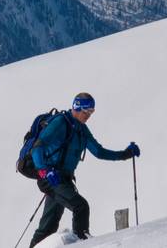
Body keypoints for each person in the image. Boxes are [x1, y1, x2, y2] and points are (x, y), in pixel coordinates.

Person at [29, 92, 140, 246]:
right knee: (80, 206)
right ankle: (83, 244)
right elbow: (37, 147)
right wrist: (44, 171)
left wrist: (126, 154)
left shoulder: (81, 129)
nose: (89, 115)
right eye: (86, 110)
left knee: (48, 225)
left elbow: (99, 152)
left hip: (64, 179)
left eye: (91, 111)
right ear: (77, 106)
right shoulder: (61, 123)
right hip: (51, 178)